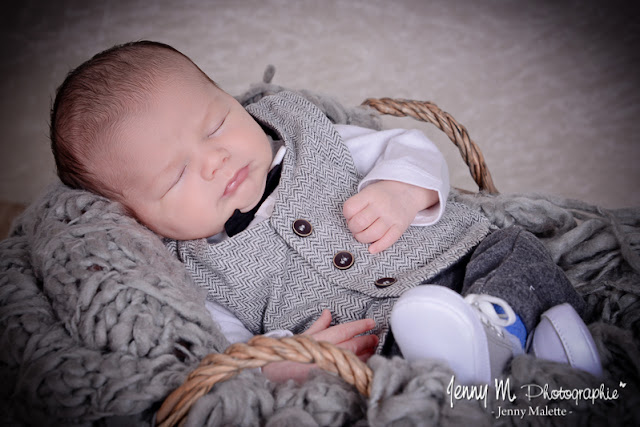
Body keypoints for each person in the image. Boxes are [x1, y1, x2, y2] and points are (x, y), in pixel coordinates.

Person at [49, 40, 601, 385]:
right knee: (388, 373)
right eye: (176, 175)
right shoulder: (192, 273)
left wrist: (399, 192)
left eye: (215, 124)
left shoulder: (302, 132)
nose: (216, 160)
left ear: (234, 100)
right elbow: (228, 350)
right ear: (138, 219)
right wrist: (285, 361)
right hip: (383, 335)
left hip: (457, 257)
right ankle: (504, 362)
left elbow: (407, 146)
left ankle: (514, 334)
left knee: (515, 251)